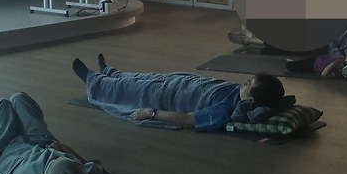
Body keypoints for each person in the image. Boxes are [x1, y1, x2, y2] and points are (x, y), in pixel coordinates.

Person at [72, 53, 291, 131]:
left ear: (251, 98)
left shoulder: (225, 111)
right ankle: (111, 72)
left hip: (168, 97)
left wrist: (151, 113)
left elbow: (187, 119)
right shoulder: (236, 93)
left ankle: (94, 81)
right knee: (142, 78)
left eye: (249, 83)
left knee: (133, 89)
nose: (244, 81)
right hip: (179, 83)